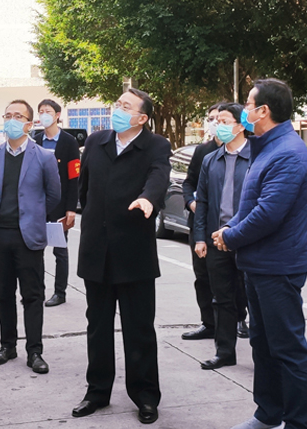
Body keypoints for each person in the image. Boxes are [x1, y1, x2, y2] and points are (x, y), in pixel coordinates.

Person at [212, 82, 307, 429]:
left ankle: (298, 422)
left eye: (248, 105)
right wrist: (230, 229)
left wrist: (231, 236)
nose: (244, 110)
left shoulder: (288, 152)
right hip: (258, 265)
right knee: (263, 344)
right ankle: (268, 413)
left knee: (287, 350)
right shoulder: (266, 147)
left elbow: (269, 213)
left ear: (264, 111)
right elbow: (250, 203)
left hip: (278, 267)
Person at [72, 88, 171, 425]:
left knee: (139, 328)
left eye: (125, 106)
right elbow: (84, 189)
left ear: (142, 118)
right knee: (97, 326)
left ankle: (145, 396)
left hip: (134, 251)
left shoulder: (156, 146)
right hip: (96, 250)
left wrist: (148, 199)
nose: (117, 109)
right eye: (117, 104)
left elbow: (159, 177)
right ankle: (97, 391)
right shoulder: (96, 142)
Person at [0, 100, 61, 374]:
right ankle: (7, 346)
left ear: (29, 123)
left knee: (32, 295)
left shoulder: (44, 157)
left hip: (29, 237)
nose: (12, 120)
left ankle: (34, 351)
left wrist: (32, 214)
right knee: (4, 294)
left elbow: (53, 195)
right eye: (8, 115)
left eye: (18, 116)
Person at [193, 103, 251, 371]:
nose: (218, 125)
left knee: (251, 297)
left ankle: (263, 355)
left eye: (225, 121)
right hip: (217, 240)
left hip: (247, 238)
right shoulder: (210, 160)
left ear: (241, 125)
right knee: (221, 298)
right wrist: (200, 238)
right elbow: (202, 201)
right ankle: (224, 351)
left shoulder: (256, 156)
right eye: (217, 121)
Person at [33, 99, 81, 307]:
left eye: (48, 111)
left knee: (60, 250)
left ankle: (60, 292)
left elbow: (74, 178)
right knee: (35, 250)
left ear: (58, 115)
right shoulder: (35, 140)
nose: (44, 114)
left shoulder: (69, 142)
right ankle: (37, 290)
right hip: (38, 205)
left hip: (60, 206)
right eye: (41, 111)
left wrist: (71, 208)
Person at [181, 103, 223, 341]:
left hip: (227, 223)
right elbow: (189, 182)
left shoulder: (244, 150)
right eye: (212, 118)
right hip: (200, 224)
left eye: (221, 119)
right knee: (202, 276)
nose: (216, 123)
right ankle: (209, 323)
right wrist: (191, 202)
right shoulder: (203, 151)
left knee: (233, 277)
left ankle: (237, 319)